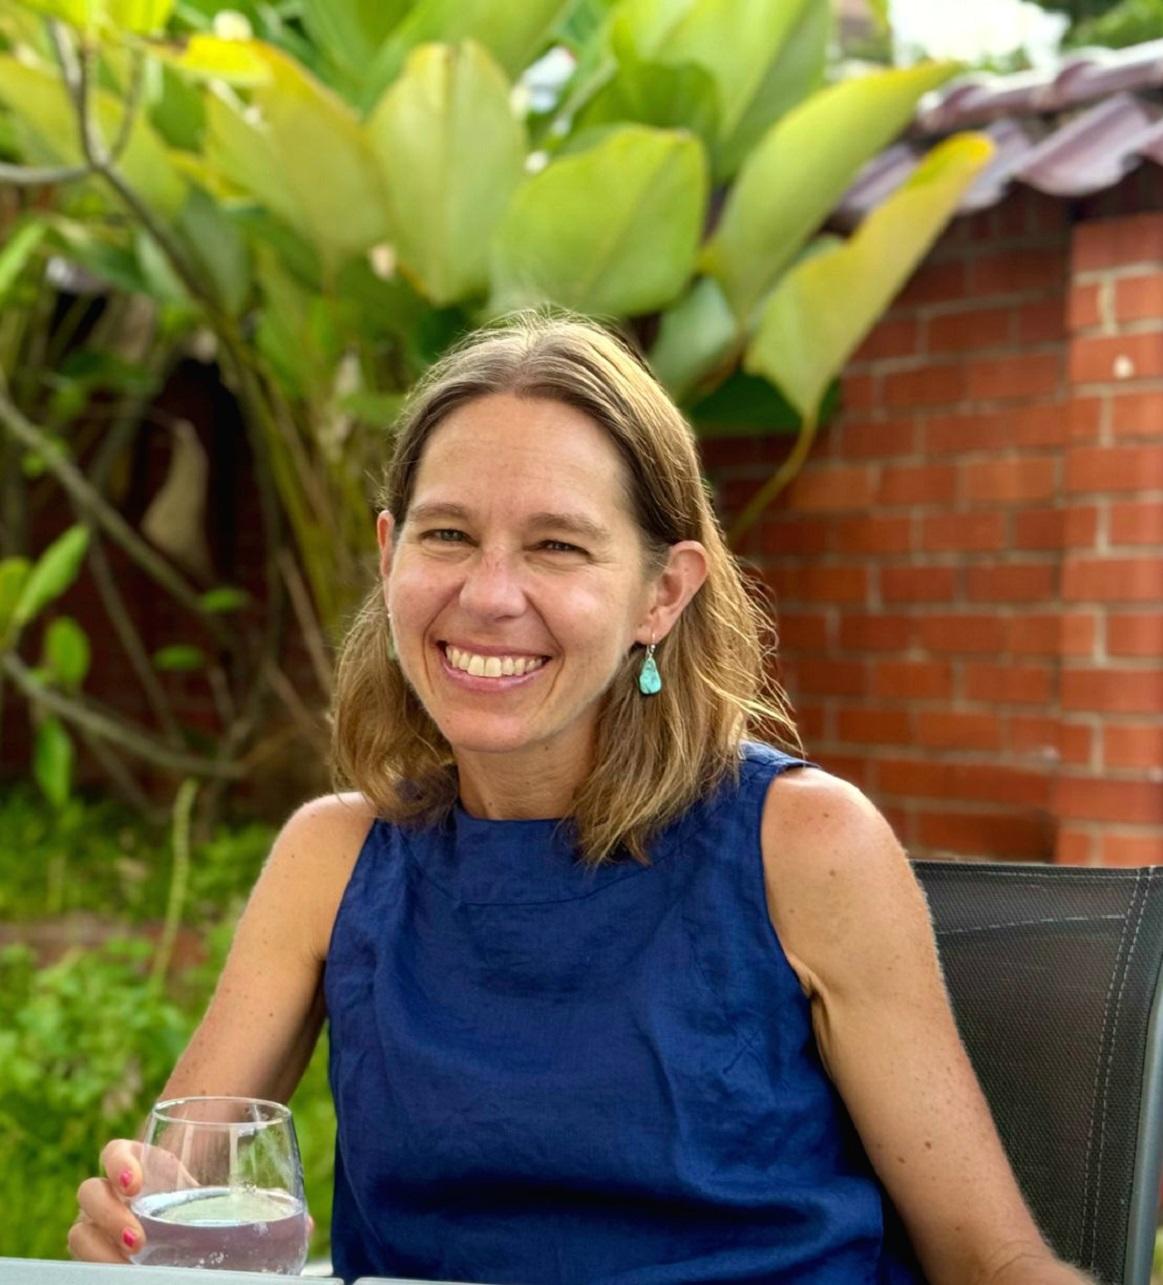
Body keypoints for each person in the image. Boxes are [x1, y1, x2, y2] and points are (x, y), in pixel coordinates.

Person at [72, 312, 1091, 1284]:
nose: (487, 595)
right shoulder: (330, 860)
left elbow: (990, 1261)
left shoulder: (804, 842)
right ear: (389, 556)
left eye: (556, 545)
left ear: (662, 592)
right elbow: (171, 1192)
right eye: (446, 534)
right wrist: (126, 1223)